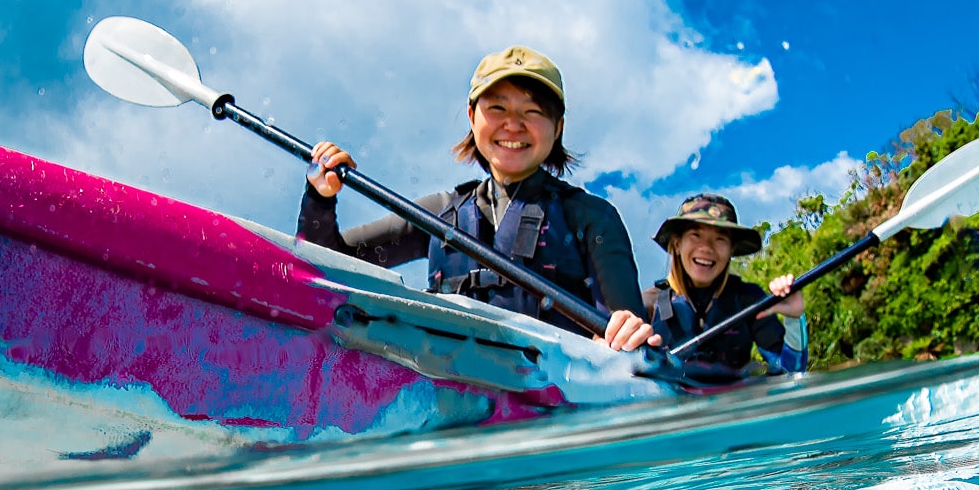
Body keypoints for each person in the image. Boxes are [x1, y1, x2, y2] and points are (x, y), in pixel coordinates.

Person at [296, 46, 657, 352]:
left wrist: (626, 333)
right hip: (447, 397)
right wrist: (320, 198)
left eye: (533, 111)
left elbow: (622, 331)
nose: (513, 124)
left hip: (553, 404)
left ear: (558, 126)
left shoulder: (592, 217)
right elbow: (327, 266)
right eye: (497, 108)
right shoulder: (438, 215)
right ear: (472, 117)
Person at [646, 194, 808, 376]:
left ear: (731, 249)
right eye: (695, 235)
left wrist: (795, 319)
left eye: (720, 238)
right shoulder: (647, 305)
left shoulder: (749, 300)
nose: (706, 247)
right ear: (677, 244)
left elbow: (791, 371)